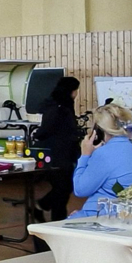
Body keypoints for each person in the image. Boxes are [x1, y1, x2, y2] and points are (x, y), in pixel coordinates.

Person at [69, 103, 132, 217]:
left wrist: (85, 155)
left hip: (103, 215)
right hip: (126, 214)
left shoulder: (104, 154)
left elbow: (80, 190)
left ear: (99, 131)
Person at [33, 75, 82, 223]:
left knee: (64, 188)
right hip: (57, 153)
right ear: (71, 90)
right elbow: (46, 129)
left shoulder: (61, 105)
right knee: (63, 188)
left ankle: (43, 206)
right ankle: (57, 220)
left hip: (63, 152)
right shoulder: (58, 107)